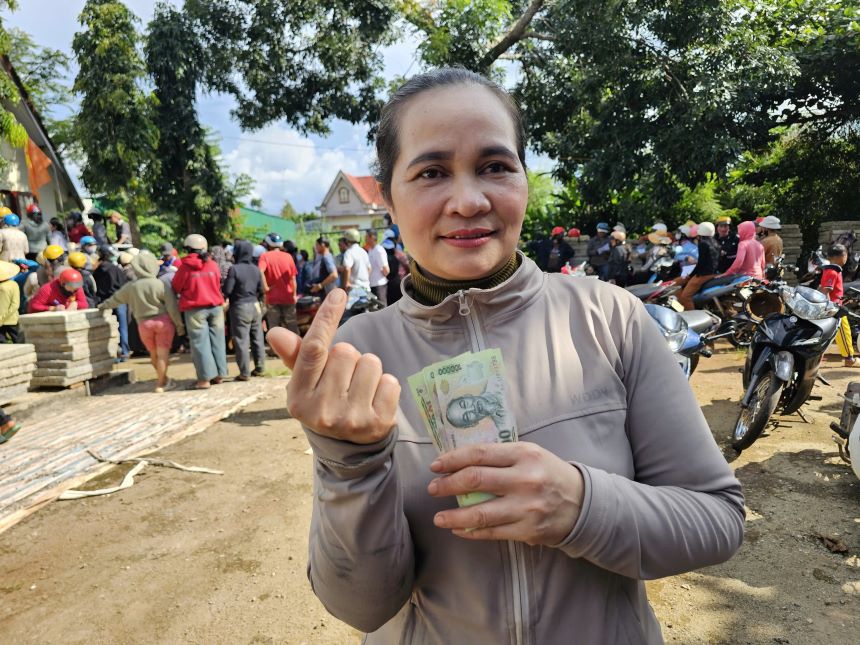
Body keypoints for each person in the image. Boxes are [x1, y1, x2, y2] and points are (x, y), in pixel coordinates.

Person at [266, 68, 743, 644]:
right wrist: (350, 462)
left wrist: (581, 505)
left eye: (495, 166)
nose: (468, 201)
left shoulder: (610, 317)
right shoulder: (359, 359)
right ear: (388, 199)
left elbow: (715, 519)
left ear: (522, 180)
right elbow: (361, 606)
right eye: (432, 172)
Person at [99, 252, 184, 392]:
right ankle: (161, 383)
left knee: (153, 355)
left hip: (144, 324)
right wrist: (180, 327)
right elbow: (172, 307)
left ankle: (164, 380)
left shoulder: (131, 286)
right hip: (163, 322)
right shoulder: (160, 284)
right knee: (163, 355)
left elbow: (115, 300)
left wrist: (101, 307)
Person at [172, 234, 228, 389]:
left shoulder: (184, 267)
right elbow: (218, 282)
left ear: (188, 248)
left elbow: (176, 286)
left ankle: (204, 379)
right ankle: (219, 375)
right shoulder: (212, 265)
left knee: (200, 343)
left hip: (195, 309)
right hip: (216, 307)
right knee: (218, 340)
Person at [223, 240, 266, 380]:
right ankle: (260, 368)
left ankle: (244, 372)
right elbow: (261, 289)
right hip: (255, 305)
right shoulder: (255, 269)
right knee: (257, 338)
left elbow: (227, 290)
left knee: (241, 340)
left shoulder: (234, 269)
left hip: (240, 307)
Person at [818, 244, 858, 368]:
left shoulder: (830, 269)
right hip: (834, 308)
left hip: (834, 305)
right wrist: (831, 307)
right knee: (844, 331)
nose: (846, 258)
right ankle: (849, 359)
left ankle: (819, 358)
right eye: (846, 255)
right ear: (841, 256)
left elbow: (822, 288)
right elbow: (826, 290)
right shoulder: (833, 271)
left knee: (828, 334)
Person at [258, 232, 300, 334]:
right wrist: (294, 295)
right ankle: (297, 349)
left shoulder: (264, 256)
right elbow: (293, 278)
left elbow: (260, 271)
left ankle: (276, 350)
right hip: (288, 298)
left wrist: (265, 288)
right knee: (292, 327)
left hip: (272, 299)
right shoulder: (288, 257)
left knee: (274, 330)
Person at [677, 222, 720, 310]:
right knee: (677, 281)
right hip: (713, 273)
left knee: (685, 297)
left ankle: (691, 317)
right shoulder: (715, 242)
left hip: (704, 274)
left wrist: (691, 274)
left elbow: (701, 263)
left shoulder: (703, 243)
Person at [340, 228, 371, 292]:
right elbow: (369, 269)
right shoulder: (363, 251)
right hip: (366, 287)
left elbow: (347, 268)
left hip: (355, 289)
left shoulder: (349, 252)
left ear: (347, 241)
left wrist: (346, 283)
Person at [366, 230, 390, 306]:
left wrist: (380, 277)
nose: (365, 238)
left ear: (372, 237)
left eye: (366, 236)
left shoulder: (379, 250)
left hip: (379, 285)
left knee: (382, 307)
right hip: (372, 284)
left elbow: (386, 270)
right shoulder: (370, 250)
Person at [0, 260, 21, 342]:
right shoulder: (13, 284)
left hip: (7, 319)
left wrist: (1, 318)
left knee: (2, 343)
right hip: (11, 319)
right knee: (18, 340)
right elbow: (15, 305)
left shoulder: (12, 285)